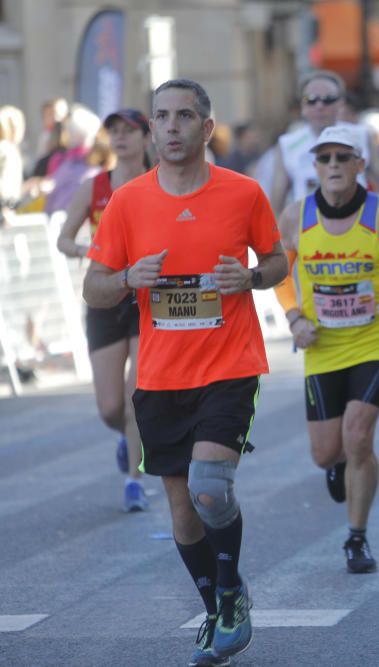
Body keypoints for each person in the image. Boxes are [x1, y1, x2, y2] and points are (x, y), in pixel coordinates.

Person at [82, 79, 288, 666]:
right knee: (182, 510)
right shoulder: (127, 202)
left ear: (206, 127)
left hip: (229, 363)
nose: (171, 127)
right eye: (162, 117)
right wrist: (126, 280)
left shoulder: (244, 193)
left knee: (210, 488)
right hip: (160, 374)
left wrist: (249, 277)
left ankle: (230, 594)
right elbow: (93, 289)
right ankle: (216, 605)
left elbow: (276, 261)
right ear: (151, 130)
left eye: (184, 116)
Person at [273, 124, 379, 574]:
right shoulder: (297, 217)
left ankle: (357, 537)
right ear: (314, 167)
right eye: (324, 159)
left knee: (358, 438)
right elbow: (279, 274)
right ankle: (340, 466)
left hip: (374, 340)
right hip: (322, 344)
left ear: (360, 164)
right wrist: (295, 317)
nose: (332, 166)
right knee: (324, 452)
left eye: (342, 158)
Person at [57, 108, 152, 512]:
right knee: (110, 406)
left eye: (128, 130)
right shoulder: (95, 187)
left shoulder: (160, 181)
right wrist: (86, 251)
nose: (120, 137)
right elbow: (64, 239)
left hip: (147, 297)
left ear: (147, 136)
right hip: (105, 293)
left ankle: (134, 481)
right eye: (113, 131)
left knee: (134, 398)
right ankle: (125, 437)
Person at [269, 70, 379, 212]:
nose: (319, 106)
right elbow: (276, 202)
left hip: (359, 226)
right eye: (311, 100)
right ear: (302, 106)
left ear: (341, 104)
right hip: (308, 229)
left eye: (328, 99)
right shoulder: (287, 144)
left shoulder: (361, 135)